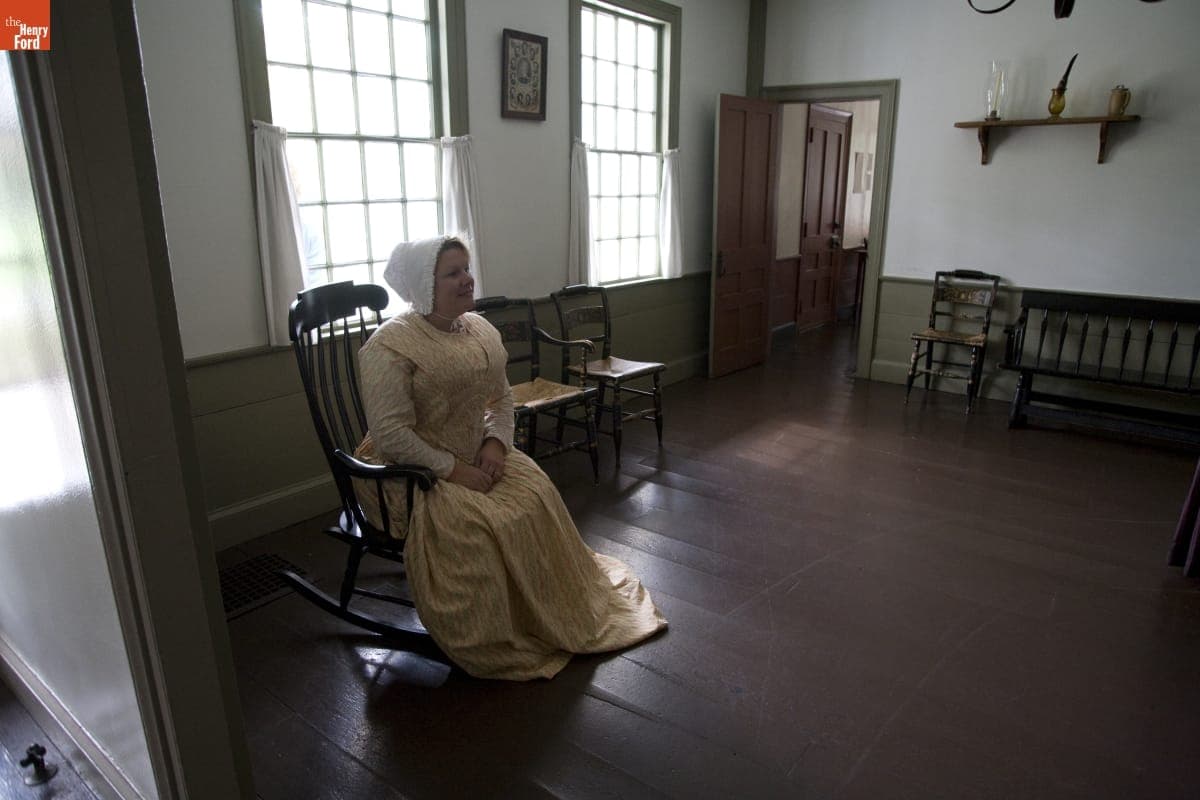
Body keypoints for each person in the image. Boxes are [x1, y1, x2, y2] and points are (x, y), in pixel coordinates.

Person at [353, 235, 667, 680]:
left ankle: (550, 607)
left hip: (476, 446)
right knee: (482, 526)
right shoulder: (390, 347)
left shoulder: (478, 329)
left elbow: (501, 399)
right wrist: (454, 470)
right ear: (425, 285)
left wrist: (496, 444)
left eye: (466, 268)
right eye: (453, 273)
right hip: (411, 471)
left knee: (537, 495)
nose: (467, 279)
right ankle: (500, 629)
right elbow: (391, 435)